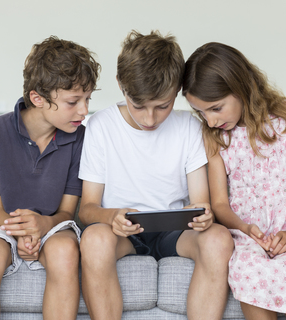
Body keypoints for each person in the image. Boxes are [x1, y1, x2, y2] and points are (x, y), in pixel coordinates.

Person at [78, 30, 234, 320]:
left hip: (175, 234)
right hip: (122, 234)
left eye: (163, 106)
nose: (150, 119)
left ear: (177, 90)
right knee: (94, 240)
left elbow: (200, 203)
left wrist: (203, 214)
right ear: (121, 86)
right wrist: (111, 217)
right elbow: (87, 209)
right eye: (139, 107)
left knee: (219, 239)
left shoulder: (189, 126)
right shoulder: (100, 126)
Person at [182, 42, 286, 320]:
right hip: (250, 239)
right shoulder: (215, 137)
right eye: (201, 112)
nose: (209, 121)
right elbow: (219, 203)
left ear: (240, 86)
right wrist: (244, 229)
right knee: (249, 272)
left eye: (216, 108)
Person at [0, 36, 100, 320]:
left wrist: (43, 226)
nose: (84, 111)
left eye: (88, 99)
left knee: (64, 251)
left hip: (53, 225)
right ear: (37, 98)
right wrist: (24, 232)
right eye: (73, 102)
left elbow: (66, 210)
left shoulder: (80, 139)